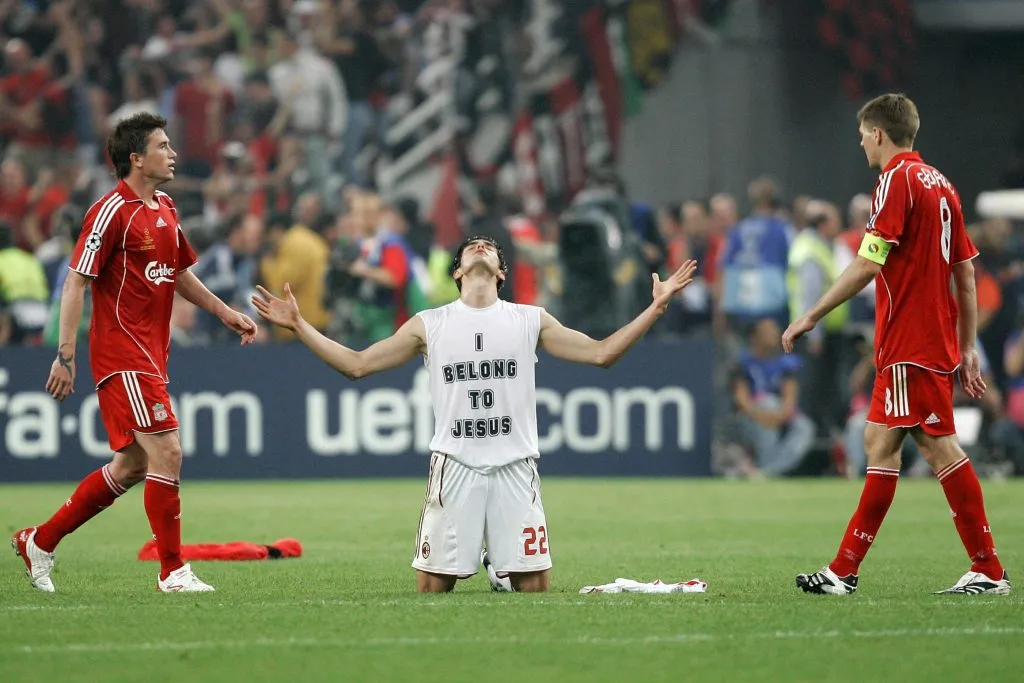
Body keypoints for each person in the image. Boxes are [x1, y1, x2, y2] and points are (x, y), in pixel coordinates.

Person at [252, 235, 697, 593]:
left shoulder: (530, 319)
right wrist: (301, 326)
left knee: (534, 589)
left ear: (501, 273)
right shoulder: (430, 323)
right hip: (455, 466)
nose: (480, 246)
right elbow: (357, 365)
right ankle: (491, 559)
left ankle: (500, 568)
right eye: (471, 246)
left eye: (490, 247)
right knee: (432, 588)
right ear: (458, 271)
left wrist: (655, 307)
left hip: (515, 466)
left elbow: (602, 354)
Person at [11, 113, 258, 594]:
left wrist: (224, 311)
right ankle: (173, 571)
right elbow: (76, 281)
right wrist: (65, 355)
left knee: (132, 466)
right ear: (136, 159)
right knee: (168, 450)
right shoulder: (110, 211)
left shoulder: (165, 206)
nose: (173, 154)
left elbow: (178, 272)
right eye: (163, 146)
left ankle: (39, 541)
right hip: (122, 352)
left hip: (152, 354)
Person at [782, 93, 1011, 596]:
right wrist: (967, 345)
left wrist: (811, 315)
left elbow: (869, 263)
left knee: (935, 447)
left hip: (909, 340)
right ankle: (844, 571)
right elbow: (965, 274)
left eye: (863, 135)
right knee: (880, 441)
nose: (861, 143)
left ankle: (988, 569)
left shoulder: (895, 180)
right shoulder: (942, 184)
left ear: (879, 134)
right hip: (928, 340)